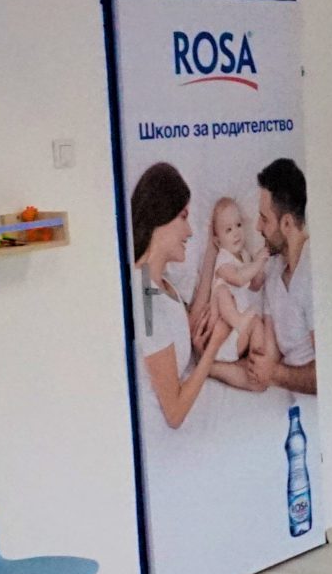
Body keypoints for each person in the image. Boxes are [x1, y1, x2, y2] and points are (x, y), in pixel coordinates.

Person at [129, 161, 254, 428]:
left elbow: (188, 322)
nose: (190, 231)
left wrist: (212, 250)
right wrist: (213, 346)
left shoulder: (157, 281)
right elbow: (174, 413)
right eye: (183, 218)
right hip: (169, 432)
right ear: (160, 217)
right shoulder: (146, 300)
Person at [189, 194, 273, 390]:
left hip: (238, 336)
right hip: (222, 338)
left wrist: (260, 269)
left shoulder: (245, 256)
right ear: (218, 241)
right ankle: (238, 320)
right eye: (228, 230)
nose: (236, 233)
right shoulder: (223, 260)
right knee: (221, 291)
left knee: (257, 324)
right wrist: (257, 262)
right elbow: (238, 279)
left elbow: (254, 285)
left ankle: (256, 363)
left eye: (238, 225)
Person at [250, 157, 317, 395]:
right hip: (292, 405)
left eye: (264, 219)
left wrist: (275, 373)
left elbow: (331, 373)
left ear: (287, 223)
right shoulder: (272, 270)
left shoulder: (315, 274)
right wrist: (208, 363)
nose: (257, 227)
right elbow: (267, 359)